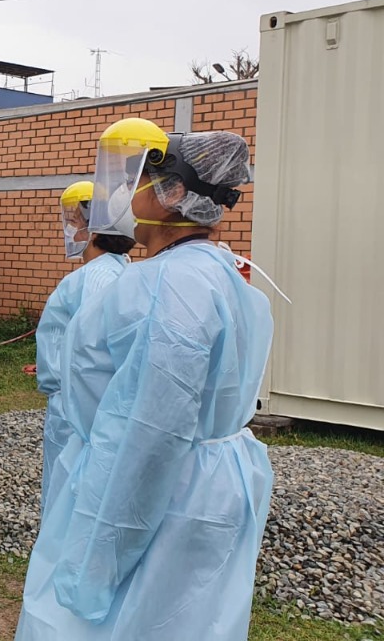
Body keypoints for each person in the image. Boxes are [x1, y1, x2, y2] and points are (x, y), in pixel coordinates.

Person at [15, 120, 275, 640]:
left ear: (174, 193)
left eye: (138, 178)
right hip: (199, 482)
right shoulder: (217, 273)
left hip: (163, 488)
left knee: (119, 619)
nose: (123, 190)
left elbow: (149, 429)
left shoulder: (170, 286)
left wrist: (96, 558)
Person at [36, 180, 132, 518]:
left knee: (68, 491)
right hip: (83, 399)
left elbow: (92, 349)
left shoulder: (94, 279)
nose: (68, 227)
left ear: (93, 227)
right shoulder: (119, 270)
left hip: (77, 405)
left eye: (72, 219)